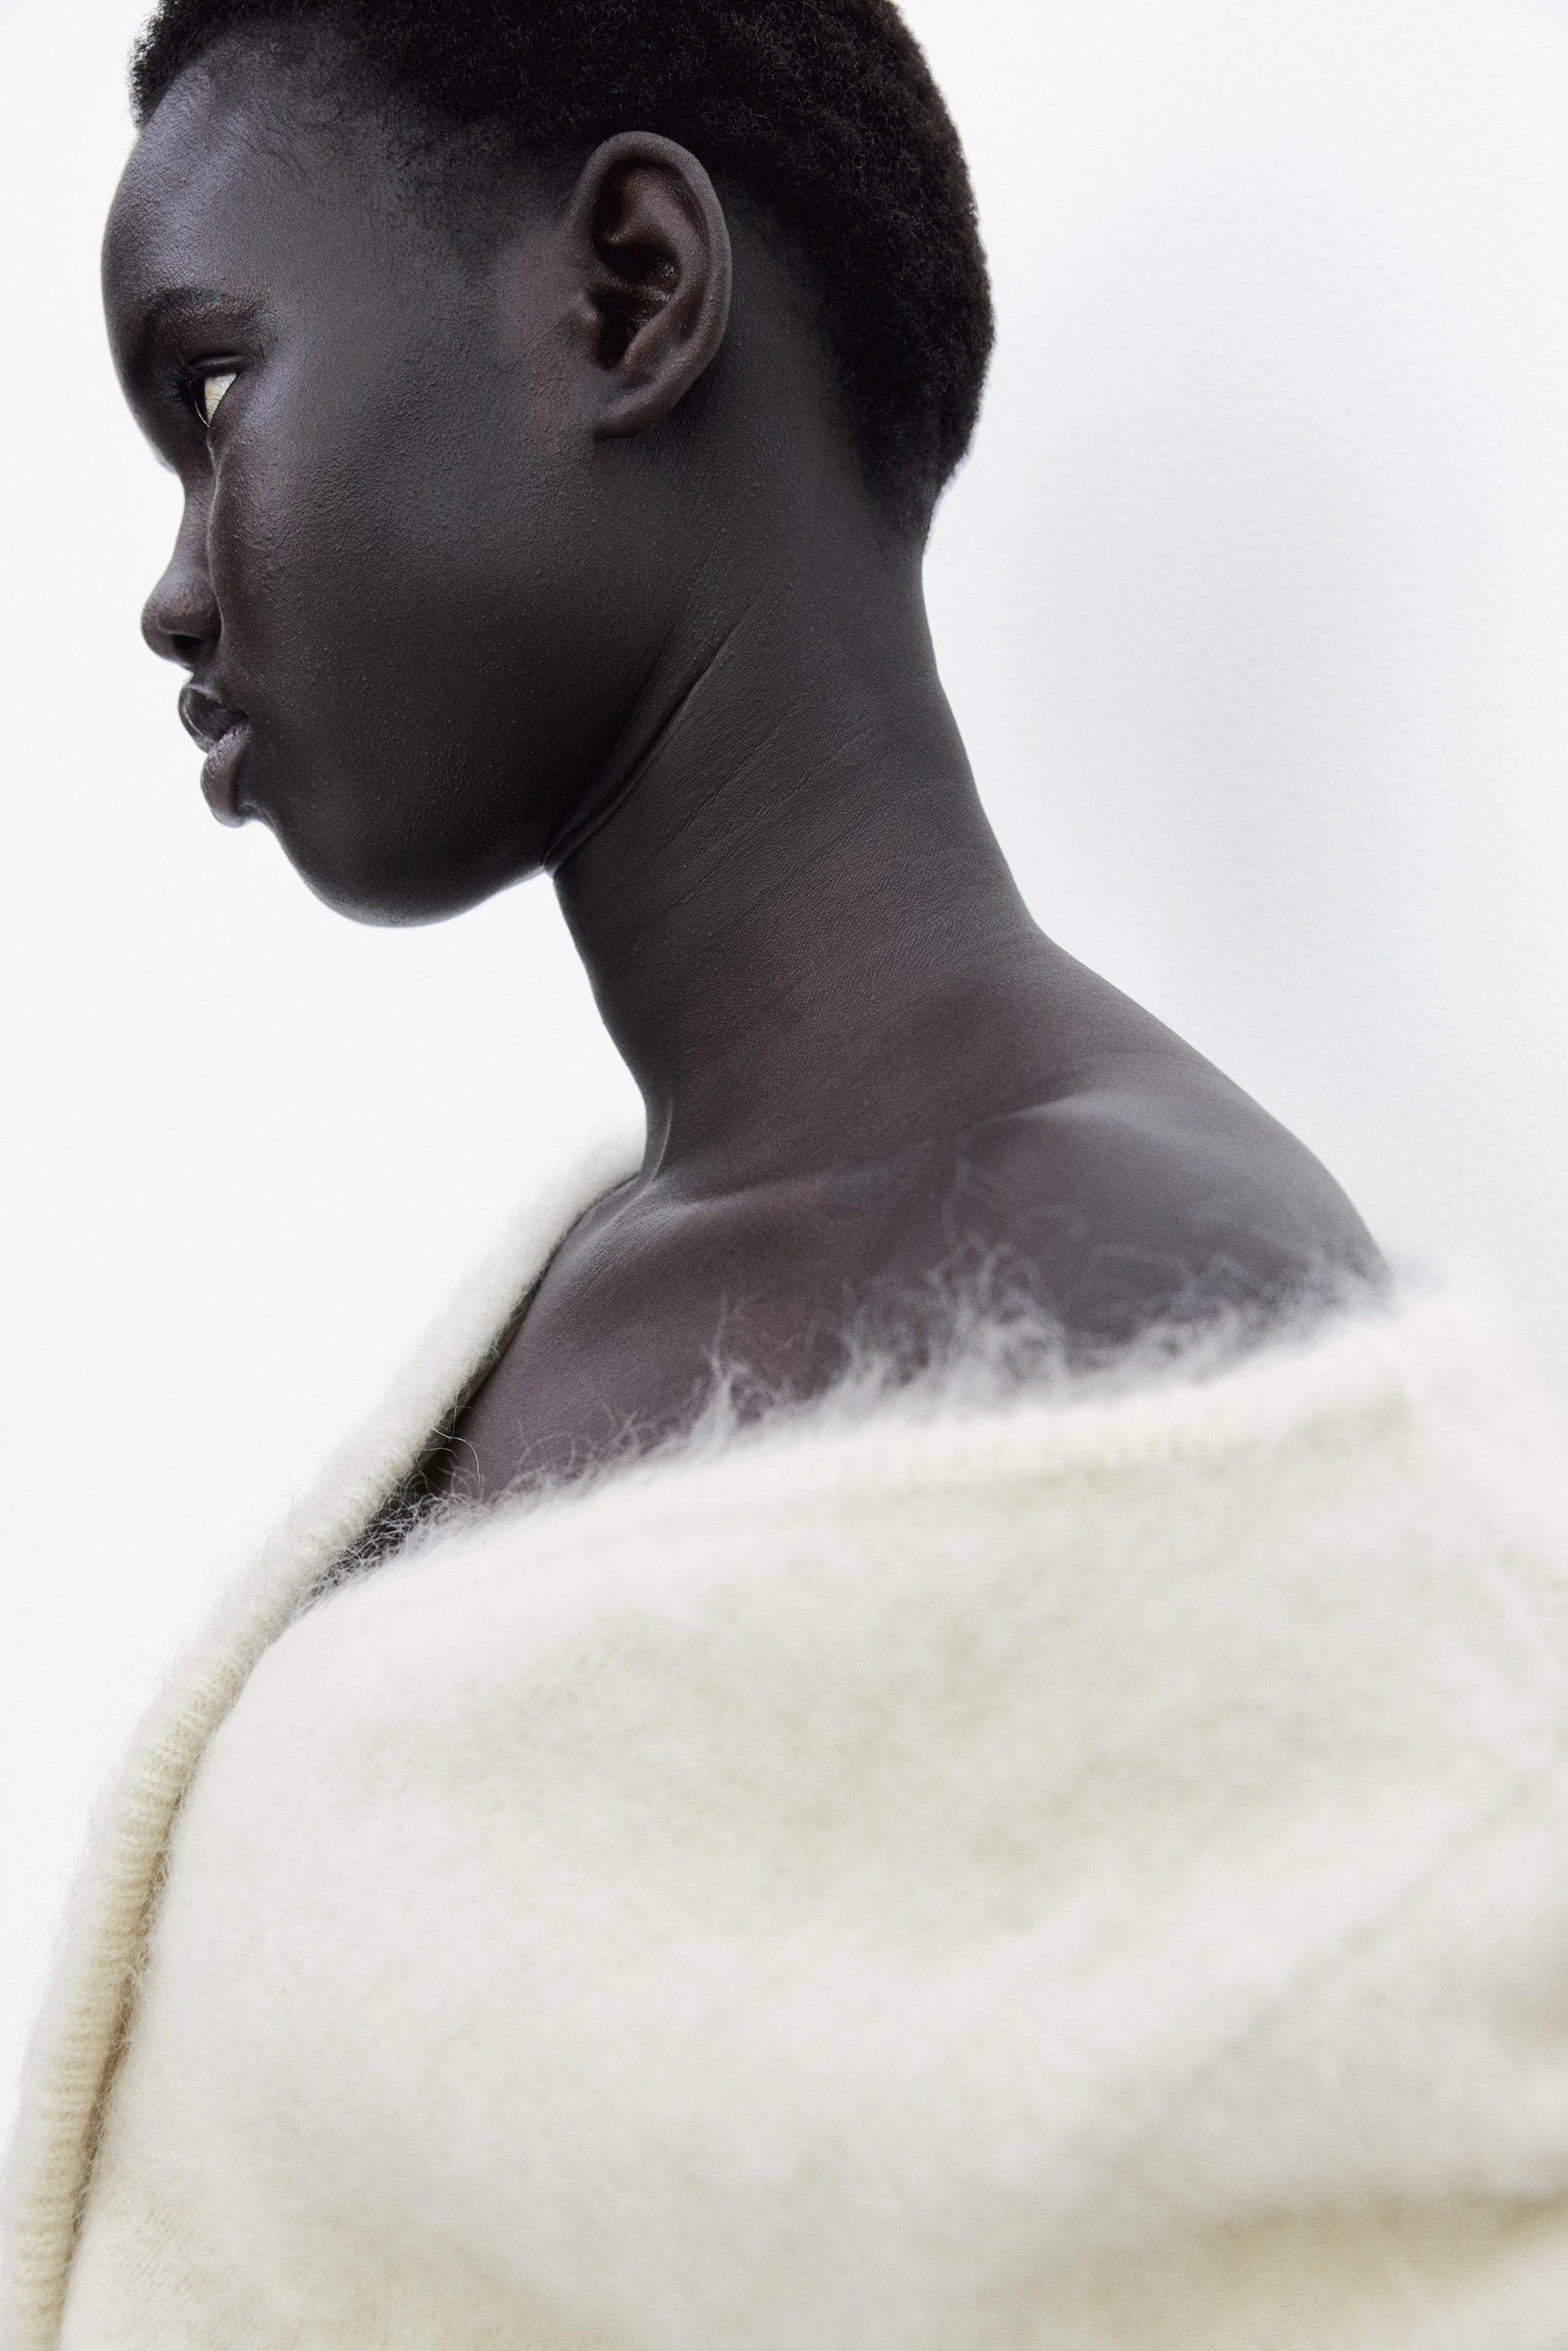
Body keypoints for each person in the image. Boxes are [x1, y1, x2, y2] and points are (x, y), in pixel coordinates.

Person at [6, 3, 1568, 2346]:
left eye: (212, 391)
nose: (173, 591)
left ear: (630, 294)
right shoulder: (589, 1293)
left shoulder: (1124, 1282)